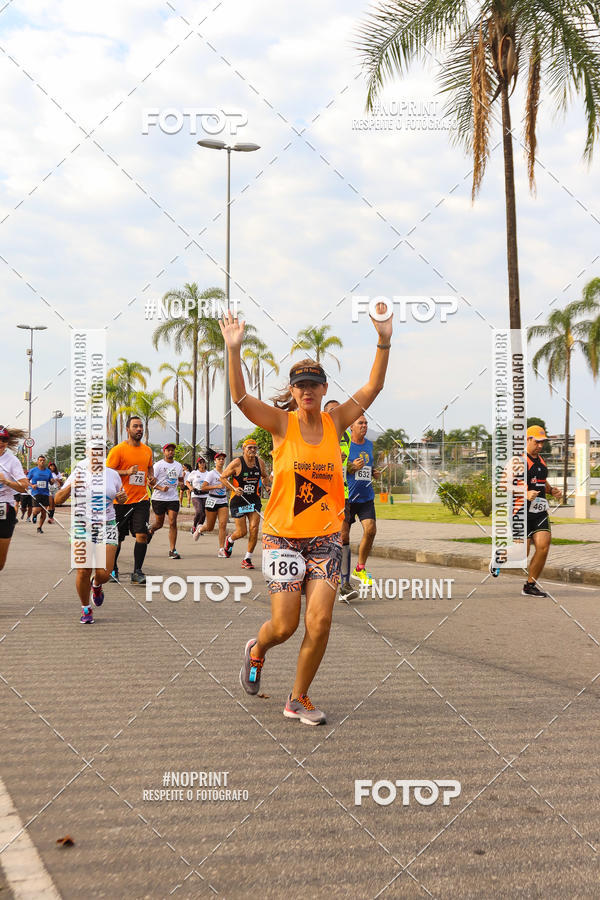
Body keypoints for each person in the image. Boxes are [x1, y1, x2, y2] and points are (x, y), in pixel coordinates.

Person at [220, 304, 392, 725]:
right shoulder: (281, 424)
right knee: (285, 625)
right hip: (282, 536)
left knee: (321, 621)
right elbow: (241, 398)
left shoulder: (336, 423)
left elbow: (373, 387)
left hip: (326, 540)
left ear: (324, 386)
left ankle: (297, 697)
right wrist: (233, 349)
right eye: (301, 385)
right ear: (293, 391)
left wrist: (383, 339)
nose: (308, 390)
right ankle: (256, 650)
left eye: (315, 383)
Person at [55, 444, 127, 623]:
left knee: (105, 573)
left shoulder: (113, 474)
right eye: (93, 450)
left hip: (107, 525)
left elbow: (119, 496)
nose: (97, 453)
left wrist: (121, 498)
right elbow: (57, 500)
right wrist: (71, 487)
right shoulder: (78, 472)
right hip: (82, 525)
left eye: (101, 450)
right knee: (83, 570)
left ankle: (96, 585)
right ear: (87, 452)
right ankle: (86, 608)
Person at [106, 416, 155, 584]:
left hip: (141, 499)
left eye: (141, 426)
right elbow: (108, 472)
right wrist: (126, 473)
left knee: (142, 535)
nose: (139, 429)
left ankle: (137, 572)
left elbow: (149, 467)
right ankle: (113, 569)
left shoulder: (147, 450)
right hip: (120, 500)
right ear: (127, 430)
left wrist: (151, 477)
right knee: (117, 538)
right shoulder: (118, 450)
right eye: (135, 426)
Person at [521, 425, 562, 597]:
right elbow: (503, 485)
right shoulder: (518, 461)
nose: (540, 446)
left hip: (539, 511)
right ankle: (500, 557)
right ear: (528, 439)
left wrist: (551, 490)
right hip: (520, 512)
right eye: (537, 442)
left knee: (543, 546)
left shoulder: (541, 460)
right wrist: (524, 492)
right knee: (523, 552)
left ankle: (530, 585)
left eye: (542, 442)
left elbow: (541, 481)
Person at [220, 439, 272, 569]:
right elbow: (223, 477)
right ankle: (230, 539)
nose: (252, 450)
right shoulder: (237, 463)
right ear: (244, 449)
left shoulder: (259, 462)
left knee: (254, 529)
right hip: (238, 501)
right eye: (250, 448)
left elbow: (265, 476)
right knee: (242, 532)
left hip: (254, 500)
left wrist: (267, 486)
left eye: (255, 448)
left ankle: (247, 558)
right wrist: (234, 489)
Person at [323, 400, 356, 601]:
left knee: (343, 536)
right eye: (331, 411)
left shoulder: (348, 436)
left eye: (338, 409)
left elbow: (349, 466)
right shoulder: (315, 430)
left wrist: (352, 465)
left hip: (341, 493)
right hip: (318, 493)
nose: (335, 413)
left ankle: (345, 584)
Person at [345, 415, 379, 587]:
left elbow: (368, 465)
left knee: (371, 529)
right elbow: (337, 466)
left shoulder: (369, 445)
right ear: (351, 426)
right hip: (347, 498)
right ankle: (341, 574)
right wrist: (351, 467)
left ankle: (360, 568)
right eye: (360, 423)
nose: (364, 425)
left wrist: (374, 471)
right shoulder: (345, 444)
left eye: (366, 423)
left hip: (366, 497)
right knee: (344, 538)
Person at [0, 427, 29, 572]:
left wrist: (7, 482)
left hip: (5, 509)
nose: (1, 443)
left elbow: (24, 487)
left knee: (0, 564)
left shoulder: (12, 461)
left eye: (4, 439)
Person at [149, 443, 184, 559]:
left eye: (172, 450)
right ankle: (151, 530)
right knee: (159, 524)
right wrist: (160, 488)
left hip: (173, 498)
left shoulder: (178, 466)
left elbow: (180, 480)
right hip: (159, 498)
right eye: (168, 450)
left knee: (172, 522)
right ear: (164, 452)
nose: (171, 452)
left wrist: (181, 484)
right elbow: (150, 482)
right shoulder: (158, 465)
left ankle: (172, 550)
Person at [196, 451, 230, 555]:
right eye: (219, 459)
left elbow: (227, 488)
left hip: (223, 500)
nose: (221, 461)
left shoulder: (226, 473)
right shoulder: (211, 474)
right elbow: (203, 487)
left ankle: (221, 549)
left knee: (223, 525)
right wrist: (216, 486)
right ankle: (200, 529)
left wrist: (229, 488)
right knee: (210, 527)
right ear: (215, 461)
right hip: (212, 500)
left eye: (222, 459)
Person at [26, 455, 55, 534]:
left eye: (43, 460)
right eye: (40, 460)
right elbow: (27, 480)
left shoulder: (48, 471)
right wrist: (31, 485)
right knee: (36, 510)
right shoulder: (33, 470)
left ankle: (39, 527)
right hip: (36, 492)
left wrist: (52, 481)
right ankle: (34, 515)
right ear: (38, 461)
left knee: (44, 511)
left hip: (45, 493)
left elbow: (51, 482)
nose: (42, 462)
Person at [186, 456, 210, 539]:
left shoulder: (208, 473)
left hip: (206, 495)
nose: (202, 464)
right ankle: (193, 526)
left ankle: (199, 528)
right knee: (199, 511)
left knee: (204, 513)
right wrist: (191, 488)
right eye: (200, 462)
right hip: (196, 495)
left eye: (203, 462)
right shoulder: (194, 473)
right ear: (198, 464)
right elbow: (187, 482)